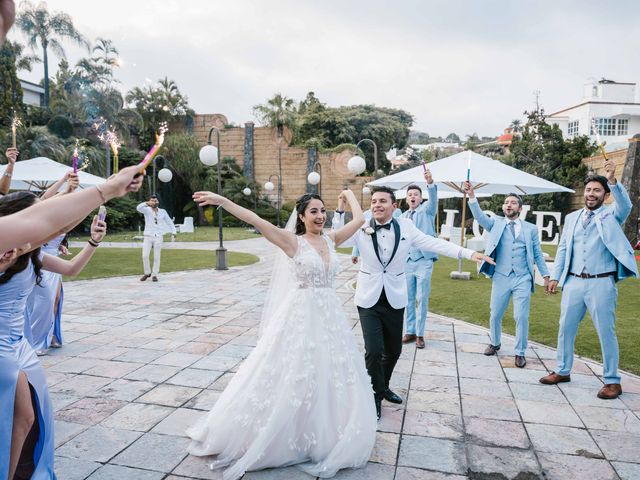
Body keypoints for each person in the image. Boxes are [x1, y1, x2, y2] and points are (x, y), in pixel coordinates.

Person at [187, 190, 377, 480]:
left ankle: (325, 432)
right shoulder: (292, 242)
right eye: (313, 211)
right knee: (293, 370)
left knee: (330, 373)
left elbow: (361, 218)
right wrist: (223, 201)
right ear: (301, 217)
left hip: (331, 318)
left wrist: (349, 194)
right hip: (301, 317)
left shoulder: (331, 238)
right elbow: (256, 219)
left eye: (322, 210)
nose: (320, 216)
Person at [333, 186, 493, 419]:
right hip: (368, 297)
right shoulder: (361, 225)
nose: (377, 205)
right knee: (374, 351)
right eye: (374, 201)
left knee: (394, 351)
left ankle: (383, 385)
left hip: (396, 296)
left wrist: (469, 254)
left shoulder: (406, 227)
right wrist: (340, 209)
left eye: (382, 201)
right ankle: (374, 394)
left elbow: (434, 243)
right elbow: (337, 238)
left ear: (394, 206)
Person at [0, 191, 107, 480]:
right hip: (2, 350)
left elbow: (71, 268)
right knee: (18, 419)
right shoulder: (5, 250)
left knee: (27, 419)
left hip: (19, 346)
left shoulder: (32, 253)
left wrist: (93, 240)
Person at [540, 165, 638, 399]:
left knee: (606, 331)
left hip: (601, 283)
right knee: (565, 329)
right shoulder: (572, 217)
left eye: (597, 190)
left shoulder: (612, 214)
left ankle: (613, 381)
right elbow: (564, 248)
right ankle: (563, 371)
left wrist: (613, 181)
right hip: (573, 282)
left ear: (605, 195)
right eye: (588, 189)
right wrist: (556, 276)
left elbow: (626, 205)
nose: (591, 194)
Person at [463, 182, 549, 368]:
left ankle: (520, 352)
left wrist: (546, 275)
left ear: (520, 207)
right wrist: (471, 196)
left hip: (523, 277)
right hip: (501, 275)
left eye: (512, 202)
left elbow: (537, 254)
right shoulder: (495, 224)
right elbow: (478, 215)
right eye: (506, 202)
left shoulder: (530, 229)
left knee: (521, 316)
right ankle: (495, 342)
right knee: (495, 314)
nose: (508, 205)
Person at [0, 163, 143, 254]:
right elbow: (46, 216)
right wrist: (109, 189)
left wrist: (107, 192)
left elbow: (61, 228)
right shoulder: (14, 251)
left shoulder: (17, 252)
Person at [24, 172, 80, 354]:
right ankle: (36, 340)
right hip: (39, 258)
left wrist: (62, 246)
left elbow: (62, 235)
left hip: (54, 258)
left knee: (55, 300)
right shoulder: (42, 212)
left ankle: (51, 335)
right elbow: (46, 199)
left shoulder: (65, 216)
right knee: (43, 300)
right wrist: (65, 182)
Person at [400, 169, 438, 349]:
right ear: (406, 199)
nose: (413, 197)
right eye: (410, 195)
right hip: (407, 261)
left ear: (421, 198)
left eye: (416, 194)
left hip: (424, 260)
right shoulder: (402, 217)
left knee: (422, 298)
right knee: (408, 298)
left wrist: (430, 183)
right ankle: (410, 330)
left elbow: (433, 199)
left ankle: (420, 334)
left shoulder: (428, 211)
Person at [137, 194, 176, 282]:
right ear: (150, 201)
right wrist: (147, 203)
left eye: (156, 200)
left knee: (156, 257)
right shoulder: (146, 210)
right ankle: (147, 273)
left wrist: (174, 232)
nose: (154, 202)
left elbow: (169, 222)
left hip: (158, 236)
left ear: (158, 201)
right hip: (148, 236)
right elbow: (138, 208)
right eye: (153, 200)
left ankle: (155, 275)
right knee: (145, 256)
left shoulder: (163, 211)